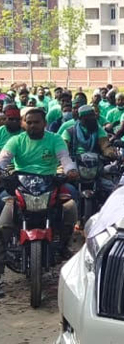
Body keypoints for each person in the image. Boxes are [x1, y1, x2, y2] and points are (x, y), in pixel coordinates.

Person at [0, 108, 78, 295]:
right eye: (29, 122)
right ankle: (1, 268)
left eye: (36, 122)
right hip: (21, 187)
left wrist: (70, 170)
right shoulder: (16, 140)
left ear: (44, 123)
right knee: (4, 223)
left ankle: (64, 243)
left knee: (71, 206)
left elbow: (64, 159)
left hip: (50, 184)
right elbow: (3, 159)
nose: (32, 125)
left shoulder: (55, 139)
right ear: (23, 123)